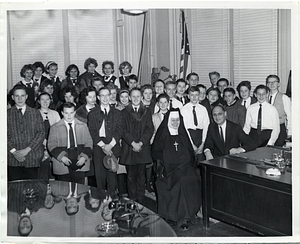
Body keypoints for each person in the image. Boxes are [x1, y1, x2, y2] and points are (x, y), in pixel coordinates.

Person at [151, 109, 201, 230]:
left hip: (185, 167)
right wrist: (168, 161)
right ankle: (183, 218)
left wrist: (188, 163)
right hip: (169, 169)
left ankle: (190, 212)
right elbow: (155, 153)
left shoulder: (183, 133)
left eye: (177, 120)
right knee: (181, 181)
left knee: (193, 178)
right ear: (168, 121)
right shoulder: (162, 134)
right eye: (173, 120)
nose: (175, 123)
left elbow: (190, 153)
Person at [120, 87, 154, 203]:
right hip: (129, 148)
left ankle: (141, 198)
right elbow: (123, 130)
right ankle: (132, 198)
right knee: (130, 176)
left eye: (138, 96)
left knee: (141, 175)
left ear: (141, 97)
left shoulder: (146, 111)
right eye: (133, 96)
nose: (135, 98)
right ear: (129, 98)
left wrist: (141, 143)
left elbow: (149, 129)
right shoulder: (124, 112)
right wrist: (133, 143)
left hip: (142, 147)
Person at [87, 87, 123, 192]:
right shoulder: (92, 113)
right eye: (102, 95)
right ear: (98, 97)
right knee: (100, 177)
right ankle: (101, 200)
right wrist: (103, 146)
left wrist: (110, 145)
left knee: (112, 176)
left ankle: (111, 200)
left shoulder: (117, 113)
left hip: (112, 145)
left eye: (107, 95)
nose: (105, 98)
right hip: (99, 146)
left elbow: (119, 130)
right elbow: (92, 131)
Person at [47, 102, 93, 184]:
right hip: (62, 161)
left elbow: (89, 142)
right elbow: (51, 145)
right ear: (62, 113)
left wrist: (84, 157)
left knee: (79, 189)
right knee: (63, 190)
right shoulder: (55, 127)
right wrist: (61, 157)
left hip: (79, 159)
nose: (69, 116)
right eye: (66, 113)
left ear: (75, 112)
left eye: (71, 113)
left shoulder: (83, 125)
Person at [7, 85, 45, 181]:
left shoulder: (35, 112)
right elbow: (3, 135)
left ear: (26, 96)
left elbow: (41, 133)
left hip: (32, 157)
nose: (20, 99)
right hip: (13, 159)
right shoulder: (6, 114)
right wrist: (14, 152)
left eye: (22, 95)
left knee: (32, 188)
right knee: (15, 189)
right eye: (17, 96)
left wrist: (27, 149)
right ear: (12, 97)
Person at [180, 86, 210, 161]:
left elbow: (206, 126)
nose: (194, 97)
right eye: (192, 95)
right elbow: (184, 128)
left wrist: (203, 143)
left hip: (201, 136)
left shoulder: (203, 109)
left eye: (196, 95)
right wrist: (192, 144)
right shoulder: (183, 109)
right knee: (189, 161)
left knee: (201, 162)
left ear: (199, 96)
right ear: (188, 96)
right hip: (189, 136)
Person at [36, 92, 60, 179]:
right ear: (38, 101)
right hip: (39, 146)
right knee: (42, 174)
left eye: (47, 99)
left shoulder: (55, 114)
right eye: (42, 99)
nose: (45, 102)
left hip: (53, 145)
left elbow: (59, 131)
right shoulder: (35, 113)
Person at [266, 75, 292, 146]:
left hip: (280, 127)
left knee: (277, 148)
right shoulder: (264, 97)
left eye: (274, 82)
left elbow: (290, 116)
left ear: (278, 84)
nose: (272, 84)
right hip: (267, 128)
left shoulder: (284, 97)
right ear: (267, 84)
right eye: (269, 82)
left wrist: (290, 131)